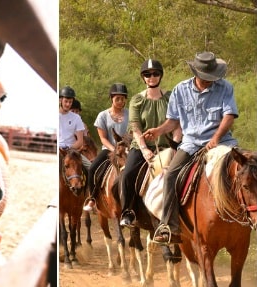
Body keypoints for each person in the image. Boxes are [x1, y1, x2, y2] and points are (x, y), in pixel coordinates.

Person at [143, 52, 238, 244]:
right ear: (197, 73)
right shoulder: (180, 90)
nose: (210, 80)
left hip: (222, 143)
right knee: (170, 176)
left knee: (246, 168)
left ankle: (246, 216)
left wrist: (215, 138)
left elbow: (229, 116)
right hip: (191, 143)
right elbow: (173, 121)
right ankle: (170, 226)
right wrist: (159, 131)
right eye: (207, 77)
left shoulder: (225, 87)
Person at [119, 59, 182, 227]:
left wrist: (175, 146)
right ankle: (128, 211)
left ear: (160, 76)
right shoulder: (137, 100)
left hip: (168, 146)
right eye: (147, 74)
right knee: (127, 174)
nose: (151, 77)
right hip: (141, 147)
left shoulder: (170, 97)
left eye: (155, 74)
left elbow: (177, 125)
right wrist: (145, 149)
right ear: (143, 78)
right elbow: (136, 127)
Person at [83, 83, 129, 211]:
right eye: (117, 99)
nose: (120, 101)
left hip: (127, 150)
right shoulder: (102, 116)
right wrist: (114, 149)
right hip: (109, 149)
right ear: (111, 99)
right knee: (92, 169)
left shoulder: (130, 114)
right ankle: (92, 198)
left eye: (123, 98)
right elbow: (103, 138)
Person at [59, 86, 91, 169]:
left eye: (70, 102)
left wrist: (69, 149)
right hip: (57, 150)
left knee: (91, 168)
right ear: (60, 100)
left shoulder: (76, 118)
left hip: (72, 151)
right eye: (66, 101)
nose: (68, 104)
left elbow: (80, 142)